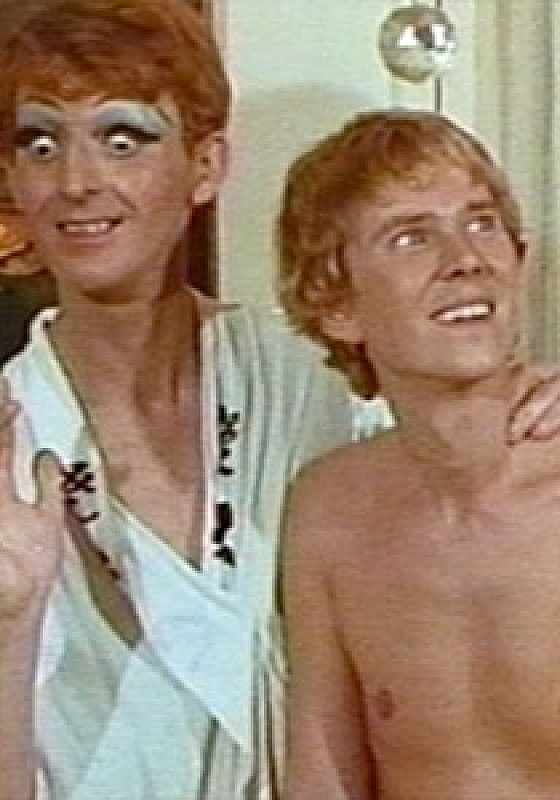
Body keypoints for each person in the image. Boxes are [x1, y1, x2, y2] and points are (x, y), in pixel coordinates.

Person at [0, 5, 558, 798]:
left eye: (123, 139)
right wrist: (11, 624)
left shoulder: (298, 374)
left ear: (205, 166)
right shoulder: (14, 430)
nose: (78, 181)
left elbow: (451, 414)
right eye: (41, 143)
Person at [278, 109, 560, 800]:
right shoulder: (329, 513)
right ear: (338, 307)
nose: (465, 259)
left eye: (482, 223)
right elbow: (322, 777)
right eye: (411, 237)